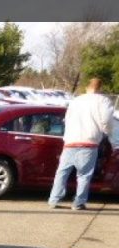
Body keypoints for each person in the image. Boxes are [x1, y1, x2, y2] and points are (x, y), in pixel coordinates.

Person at [48, 78, 113, 210]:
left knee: (62, 172)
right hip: (89, 142)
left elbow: (67, 119)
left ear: (86, 87)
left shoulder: (76, 101)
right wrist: (106, 132)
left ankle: (54, 199)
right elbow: (106, 120)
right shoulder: (103, 101)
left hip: (70, 141)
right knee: (84, 175)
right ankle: (78, 202)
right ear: (100, 88)